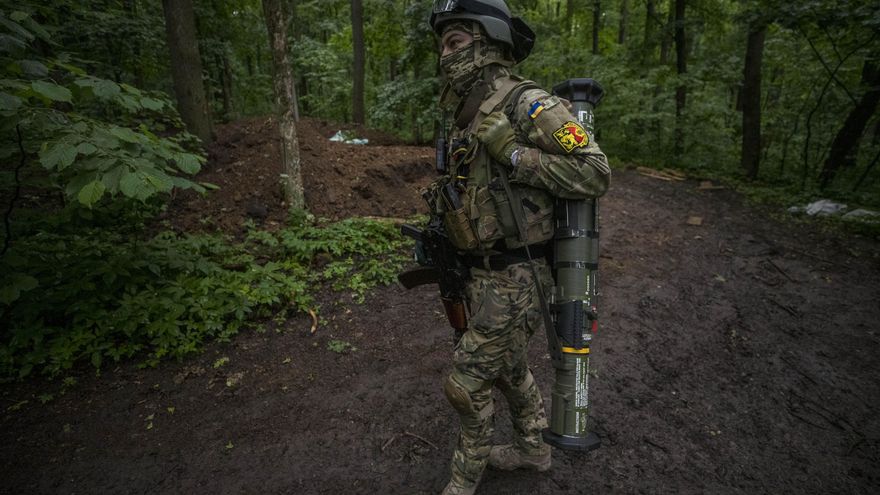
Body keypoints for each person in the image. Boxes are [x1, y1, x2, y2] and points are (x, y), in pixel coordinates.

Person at [426, 1, 611, 494]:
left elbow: (595, 172)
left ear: (489, 43)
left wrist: (512, 150)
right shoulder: (467, 112)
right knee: (507, 368)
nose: (445, 55)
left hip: (518, 276)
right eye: (442, 44)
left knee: (465, 385)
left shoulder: (529, 104)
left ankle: (463, 481)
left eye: (455, 42)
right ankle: (532, 448)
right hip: (480, 272)